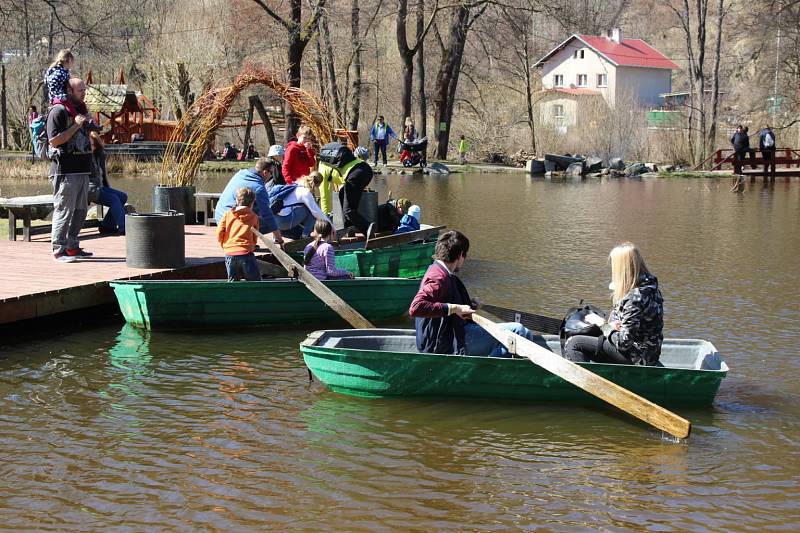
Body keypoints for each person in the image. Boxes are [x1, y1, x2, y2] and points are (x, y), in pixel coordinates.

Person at [409, 230, 543, 356]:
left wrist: (469, 306)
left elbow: (447, 306)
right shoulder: (438, 278)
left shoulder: (439, 271)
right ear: (461, 255)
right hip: (447, 343)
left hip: (452, 334)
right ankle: (482, 370)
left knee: (525, 335)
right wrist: (455, 308)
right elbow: (416, 307)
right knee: (519, 332)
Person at [561, 242, 664, 366]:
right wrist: (614, 325)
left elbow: (623, 343)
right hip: (650, 353)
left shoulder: (634, 297)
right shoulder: (651, 288)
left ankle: (586, 383)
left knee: (574, 343)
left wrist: (602, 324)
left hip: (639, 357)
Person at [47, 77, 94, 263]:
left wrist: (92, 126)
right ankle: (58, 250)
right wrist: (77, 125)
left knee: (81, 210)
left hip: (82, 169)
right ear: (69, 91)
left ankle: (72, 246)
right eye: (80, 90)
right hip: (65, 170)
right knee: (64, 210)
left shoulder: (81, 110)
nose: (84, 93)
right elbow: (54, 140)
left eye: (84, 89)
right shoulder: (58, 111)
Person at [215, 158, 284, 245]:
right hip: (232, 223)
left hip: (220, 217)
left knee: (255, 208)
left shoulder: (241, 173)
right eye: (272, 173)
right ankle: (245, 239)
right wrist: (280, 240)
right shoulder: (259, 188)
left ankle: (241, 237)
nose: (272, 176)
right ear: (265, 172)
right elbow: (268, 216)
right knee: (275, 220)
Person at [217, 187, 261, 282]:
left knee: (233, 282)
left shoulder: (228, 214)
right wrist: (251, 246)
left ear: (237, 200)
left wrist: (224, 245)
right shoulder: (254, 217)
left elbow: (219, 232)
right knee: (255, 281)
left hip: (230, 253)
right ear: (252, 203)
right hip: (246, 253)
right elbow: (255, 235)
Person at [89, 132, 129, 235]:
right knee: (114, 199)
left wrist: (108, 189)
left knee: (122, 197)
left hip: (100, 188)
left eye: (93, 144)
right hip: (89, 189)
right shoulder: (84, 158)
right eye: (90, 144)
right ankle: (123, 228)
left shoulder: (98, 156)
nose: (91, 147)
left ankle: (107, 225)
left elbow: (103, 177)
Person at [270, 172, 330, 238]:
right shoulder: (305, 192)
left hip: (274, 222)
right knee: (310, 211)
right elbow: (316, 212)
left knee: (289, 207)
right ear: (317, 185)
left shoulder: (295, 183)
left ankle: (275, 237)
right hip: (284, 223)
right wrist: (330, 225)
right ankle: (305, 236)